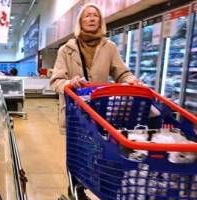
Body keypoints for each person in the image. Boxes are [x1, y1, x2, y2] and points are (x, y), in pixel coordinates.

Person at [49, 3, 141, 199]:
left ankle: (102, 185)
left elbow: (121, 72)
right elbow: (56, 80)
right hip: (76, 112)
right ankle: (77, 188)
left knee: (102, 150)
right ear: (80, 21)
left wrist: (130, 79)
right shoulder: (66, 49)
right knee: (78, 152)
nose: (91, 19)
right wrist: (69, 83)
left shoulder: (110, 47)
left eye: (95, 16)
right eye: (87, 16)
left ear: (100, 21)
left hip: (102, 111)